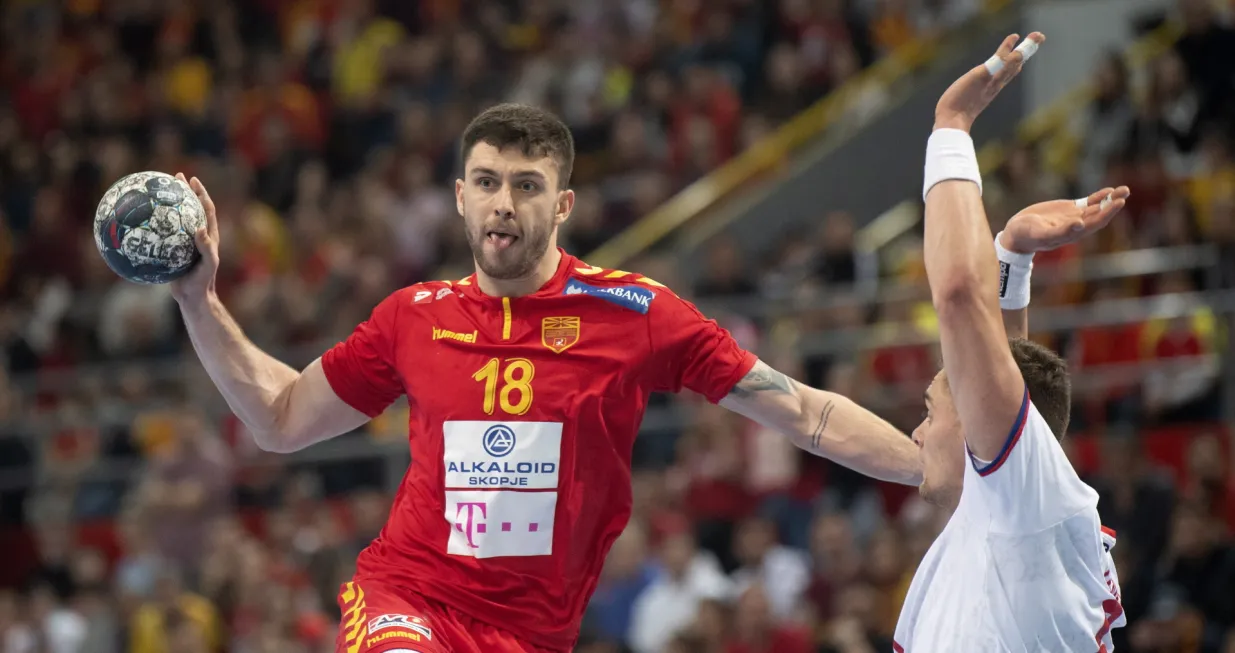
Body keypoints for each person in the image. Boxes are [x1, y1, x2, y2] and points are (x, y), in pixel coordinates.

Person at [167, 103, 923, 653]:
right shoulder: (412, 317)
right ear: (461, 197)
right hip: (412, 598)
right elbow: (280, 418)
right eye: (487, 182)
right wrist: (199, 302)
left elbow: (805, 414)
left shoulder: (634, 313)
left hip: (535, 633)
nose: (503, 202)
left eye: (526, 185)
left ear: (560, 204)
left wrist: (933, 469)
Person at [894, 33, 1131, 651]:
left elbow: (958, 298)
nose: (917, 432)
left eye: (929, 411)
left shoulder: (1028, 507)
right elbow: (1007, 368)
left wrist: (952, 126)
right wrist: (1012, 256)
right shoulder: (1012, 517)